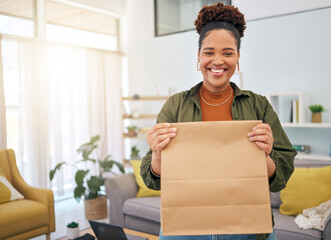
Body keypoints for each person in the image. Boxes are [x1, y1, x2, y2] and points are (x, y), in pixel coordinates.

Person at [140, 2, 296, 240]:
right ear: (199, 57)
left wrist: (264, 157)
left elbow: (280, 178)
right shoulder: (175, 105)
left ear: (238, 57)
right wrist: (158, 155)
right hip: (186, 228)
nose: (218, 61)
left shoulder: (258, 105)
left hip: (247, 227)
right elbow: (152, 180)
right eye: (209, 52)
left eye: (228, 53)